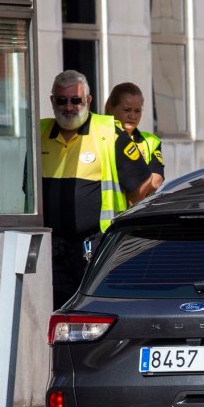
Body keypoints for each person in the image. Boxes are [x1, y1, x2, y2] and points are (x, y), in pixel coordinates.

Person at [41, 70, 153, 309]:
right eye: (61, 100)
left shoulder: (108, 131)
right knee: (56, 314)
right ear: (52, 101)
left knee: (94, 311)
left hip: (94, 248)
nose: (68, 107)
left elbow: (142, 185)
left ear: (88, 100)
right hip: (51, 249)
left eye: (76, 100)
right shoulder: (39, 134)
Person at [104, 82, 164, 195]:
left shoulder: (151, 141)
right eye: (127, 110)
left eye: (137, 111)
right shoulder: (99, 136)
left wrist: (133, 200)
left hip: (138, 206)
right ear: (111, 108)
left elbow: (156, 181)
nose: (132, 116)